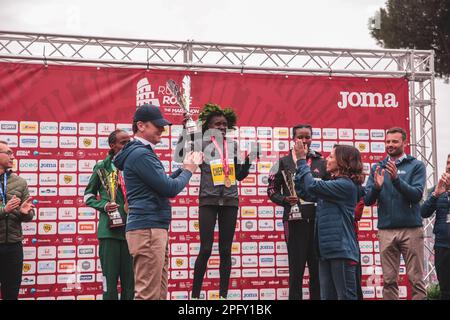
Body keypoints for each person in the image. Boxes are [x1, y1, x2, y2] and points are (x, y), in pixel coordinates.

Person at [113, 104, 200, 300]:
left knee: (158, 294)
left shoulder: (140, 153)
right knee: (148, 296)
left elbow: (163, 183)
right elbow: (170, 189)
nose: (162, 129)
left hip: (151, 228)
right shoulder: (141, 154)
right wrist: (189, 170)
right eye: (157, 125)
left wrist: (184, 168)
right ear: (141, 126)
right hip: (148, 230)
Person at [175, 103, 256, 300]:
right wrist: (185, 131)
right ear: (208, 126)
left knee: (225, 250)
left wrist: (249, 160)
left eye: (224, 124)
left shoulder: (233, 146)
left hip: (230, 200)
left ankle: (223, 297)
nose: (221, 127)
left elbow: (239, 176)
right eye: (217, 124)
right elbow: (179, 155)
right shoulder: (201, 143)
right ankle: (194, 297)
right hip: (208, 200)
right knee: (205, 248)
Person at [295, 142, 364, 300]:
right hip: (325, 252)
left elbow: (311, 185)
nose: (327, 159)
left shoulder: (346, 185)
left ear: (342, 161)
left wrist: (301, 160)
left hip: (341, 251)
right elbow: (306, 192)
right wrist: (299, 170)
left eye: (331, 156)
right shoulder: (332, 185)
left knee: (346, 297)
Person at [364, 127, 427, 300]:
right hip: (386, 230)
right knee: (389, 280)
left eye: (394, 141)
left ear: (404, 143)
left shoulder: (416, 165)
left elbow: (416, 195)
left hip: (411, 230)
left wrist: (397, 181)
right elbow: (368, 200)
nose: (390, 145)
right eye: (387, 141)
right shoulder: (378, 167)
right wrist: (376, 187)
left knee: (416, 280)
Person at [267, 124, 327, 300]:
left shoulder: (321, 162)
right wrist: (284, 200)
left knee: (317, 271)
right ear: (293, 138)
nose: (304, 140)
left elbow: (329, 188)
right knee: (296, 271)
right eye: (300, 137)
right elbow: (271, 190)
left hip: (317, 221)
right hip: (294, 221)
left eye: (307, 137)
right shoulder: (282, 162)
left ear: (312, 138)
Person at [84, 129, 134, 300]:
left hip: (132, 231)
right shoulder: (102, 167)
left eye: (129, 142)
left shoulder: (135, 165)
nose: (128, 146)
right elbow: (88, 196)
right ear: (112, 146)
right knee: (110, 282)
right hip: (109, 232)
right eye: (123, 143)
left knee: (131, 283)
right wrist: (104, 205)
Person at [0, 141, 35, 300]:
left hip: (14, 247)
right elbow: (5, 211)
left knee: (11, 293)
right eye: (8, 153)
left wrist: (24, 213)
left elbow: (29, 215)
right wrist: (3, 210)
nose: (12, 156)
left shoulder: (20, 182)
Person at [420, 154, 450, 300]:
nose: (449, 166)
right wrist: (435, 195)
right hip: (442, 246)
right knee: (445, 290)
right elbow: (424, 212)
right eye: (448, 163)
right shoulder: (438, 188)